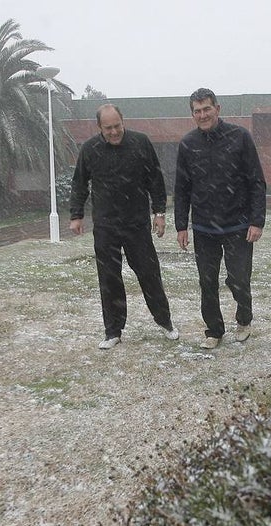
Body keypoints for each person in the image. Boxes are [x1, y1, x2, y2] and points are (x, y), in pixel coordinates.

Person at [69, 103, 179, 350]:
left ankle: (165, 322)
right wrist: (76, 215)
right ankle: (113, 331)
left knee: (149, 275)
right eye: (108, 128)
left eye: (117, 126)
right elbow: (79, 184)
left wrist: (159, 213)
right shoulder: (89, 150)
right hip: (105, 226)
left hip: (137, 224)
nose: (114, 132)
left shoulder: (141, 143)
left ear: (123, 121)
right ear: (99, 127)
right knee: (109, 279)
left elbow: (155, 180)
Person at [174, 87, 267, 350]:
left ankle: (244, 318)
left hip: (238, 224)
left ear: (218, 109)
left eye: (206, 109)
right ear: (192, 114)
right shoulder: (188, 144)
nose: (202, 115)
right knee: (207, 281)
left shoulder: (240, 137)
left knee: (238, 278)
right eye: (197, 111)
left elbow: (256, 182)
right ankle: (213, 330)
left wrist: (257, 220)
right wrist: (182, 225)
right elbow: (182, 188)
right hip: (204, 227)